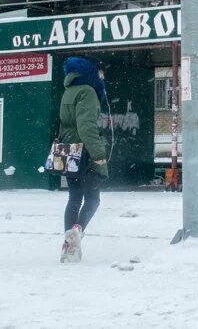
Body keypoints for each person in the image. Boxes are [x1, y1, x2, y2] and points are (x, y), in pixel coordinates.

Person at [58, 56, 109, 263]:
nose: (101, 77)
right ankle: (76, 234)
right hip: (86, 153)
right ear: (88, 73)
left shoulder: (68, 92)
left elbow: (65, 124)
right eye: (98, 73)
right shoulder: (87, 92)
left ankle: (67, 245)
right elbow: (86, 127)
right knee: (93, 200)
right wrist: (99, 156)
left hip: (70, 151)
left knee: (74, 198)